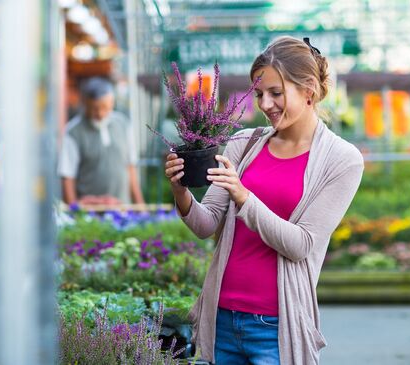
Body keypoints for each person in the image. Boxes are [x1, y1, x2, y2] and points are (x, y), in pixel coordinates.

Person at [164, 36, 364, 364]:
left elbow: (301, 244)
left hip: (276, 326)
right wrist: (180, 190)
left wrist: (243, 196)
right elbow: (206, 223)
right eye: (259, 94)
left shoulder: (341, 160)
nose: (265, 104)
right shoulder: (244, 143)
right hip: (222, 316)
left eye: (276, 93)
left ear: (309, 89)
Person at [58, 77, 145, 206]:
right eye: (94, 108)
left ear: (112, 103)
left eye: (104, 107)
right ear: (85, 104)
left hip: (122, 210)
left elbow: (130, 167)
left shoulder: (123, 124)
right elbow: (67, 176)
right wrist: (74, 210)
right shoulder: (72, 132)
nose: (99, 113)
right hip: (88, 213)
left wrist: (140, 205)